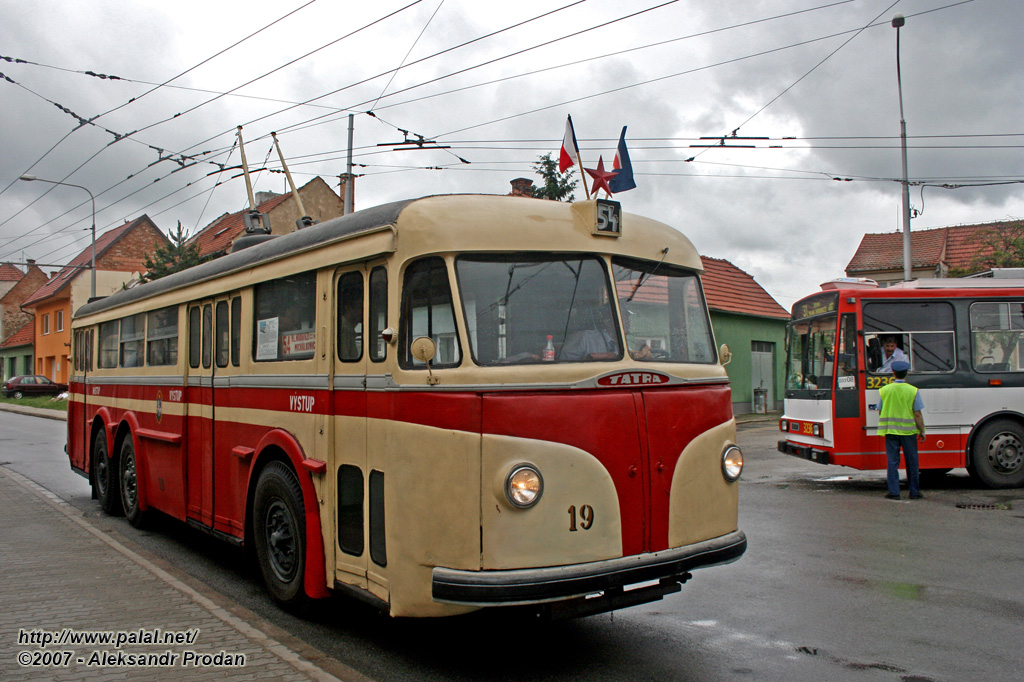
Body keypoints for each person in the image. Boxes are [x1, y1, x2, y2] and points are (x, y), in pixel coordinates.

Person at [875, 360, 926, 500]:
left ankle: (894, 492)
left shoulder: (885, 390)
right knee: (912, 462)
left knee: (892, 462)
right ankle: (914, 492)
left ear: (893, 373)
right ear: (906, 373)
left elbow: (880, 410)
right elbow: (917, 414)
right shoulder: (913, 391)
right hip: (908, 432)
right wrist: (922, 430)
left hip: (891, 432)